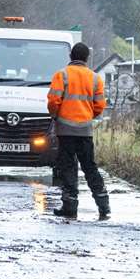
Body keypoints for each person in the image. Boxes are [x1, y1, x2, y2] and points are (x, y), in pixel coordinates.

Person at [48, 41, 110, 220]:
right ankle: (103, 205)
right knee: (90, 167)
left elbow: (53, 101)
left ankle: (70, 206)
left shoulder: (62, 75)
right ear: (87, 58)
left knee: (67, 167)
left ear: (71, 57)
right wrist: (88, 116)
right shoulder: (95, 78)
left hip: (65, 130)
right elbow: (100, 105)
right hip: (85, 130)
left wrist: (55, 116)